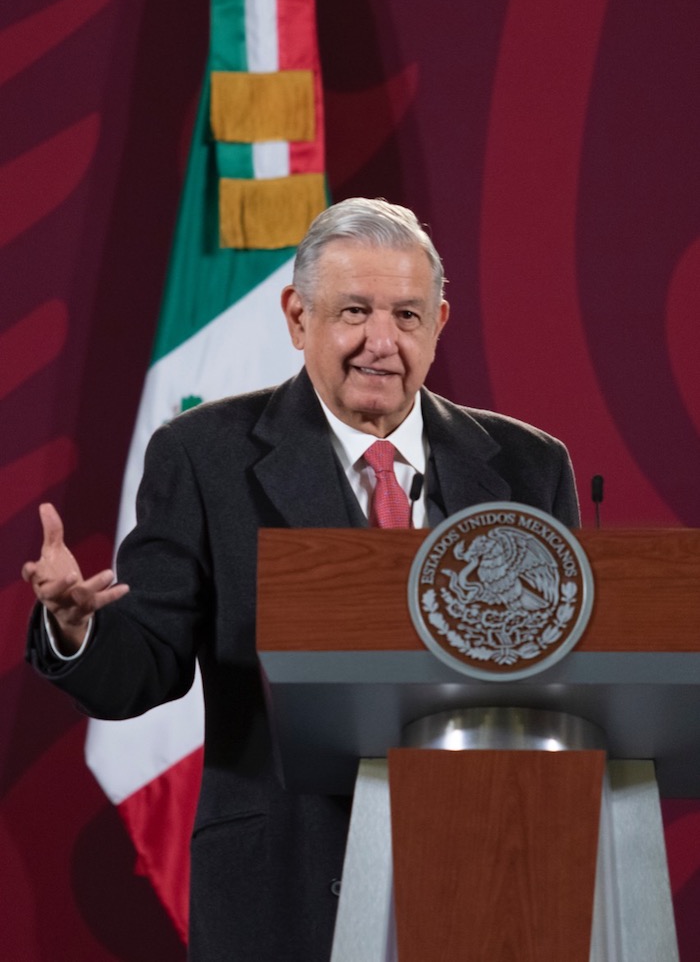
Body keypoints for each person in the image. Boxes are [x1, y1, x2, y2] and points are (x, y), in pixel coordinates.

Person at [23, 197, 580, 961]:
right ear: (296, 316)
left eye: (408, 317)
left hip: (483, 872)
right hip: (282, 877)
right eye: (354, 311)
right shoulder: (202, 455)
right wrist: (78, 629)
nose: (380, 343)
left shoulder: (528, 464)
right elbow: (145, 668)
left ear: (441, 323)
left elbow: (565, 673)